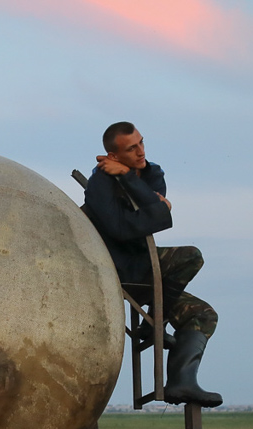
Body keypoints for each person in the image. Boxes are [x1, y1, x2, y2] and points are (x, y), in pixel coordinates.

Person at [83, 121, 222, 407]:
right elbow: (121, 228)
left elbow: (151, 210)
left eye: (141, 143)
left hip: (147, 268)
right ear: (112, 154)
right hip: (122, 268)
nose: (140, 152)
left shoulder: (152, 172)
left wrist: (128, 177)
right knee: (190, 256)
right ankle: (156, 323)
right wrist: (160, 209)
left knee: (204, 315)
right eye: (131, 149)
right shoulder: (100, 182)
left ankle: (181, 383)